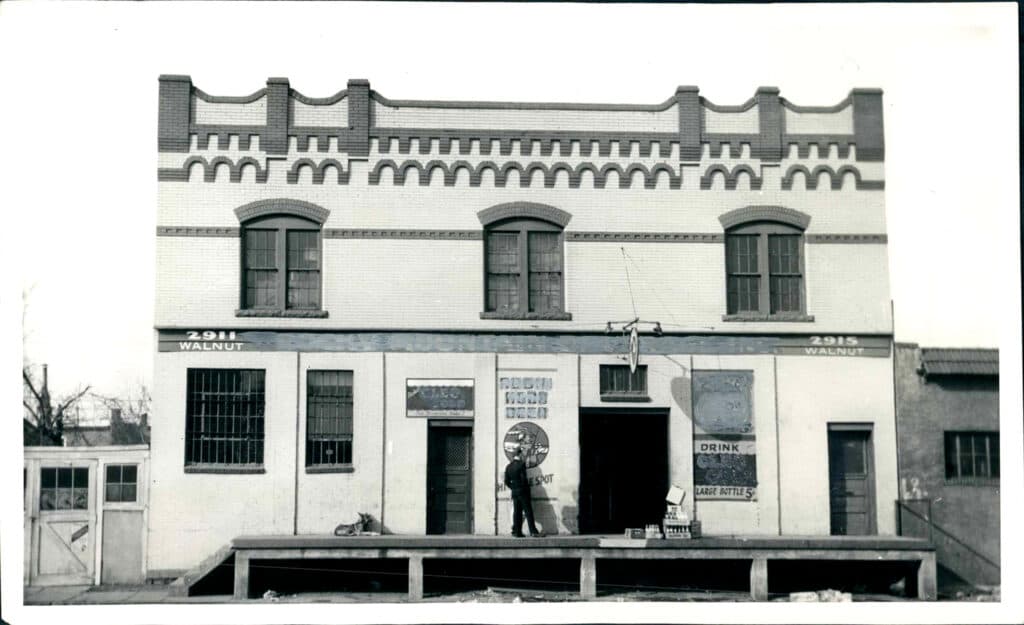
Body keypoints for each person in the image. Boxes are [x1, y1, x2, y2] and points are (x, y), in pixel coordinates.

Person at [503, 447, 543, 537]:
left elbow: (506, 481)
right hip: (523, 492)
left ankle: (517, 532)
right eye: (522, 454)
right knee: (528, 512)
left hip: (514, 492)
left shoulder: (509, 466)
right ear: (520, 454)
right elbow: (523, 479)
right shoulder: (521, 465)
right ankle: (533, 531)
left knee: (517, 512)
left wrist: (513, 487)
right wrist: (526, 490)